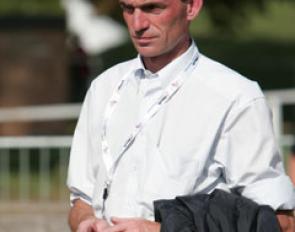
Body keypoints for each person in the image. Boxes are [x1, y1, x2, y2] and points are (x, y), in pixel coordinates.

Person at [67, 0, 295, 231]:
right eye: (128, 9)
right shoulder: (103, 87)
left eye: (153, 8)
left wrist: (159, 229)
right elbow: (81, 199)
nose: (137, 24)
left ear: (192, 7)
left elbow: (280, 223)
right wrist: (85, 222)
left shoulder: (236, 97)